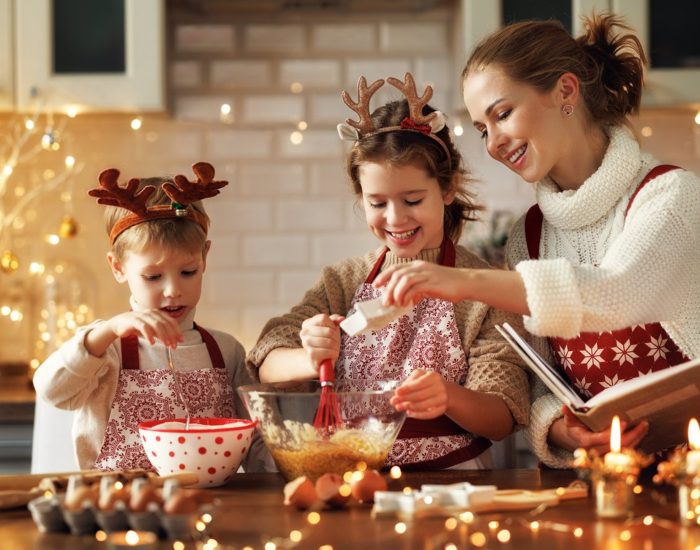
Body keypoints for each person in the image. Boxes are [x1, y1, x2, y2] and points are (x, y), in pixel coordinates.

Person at [373, 14, 700, 467]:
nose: (493, 144)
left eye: (502, 114)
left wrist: (462, 280)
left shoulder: (671, 195)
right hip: (604, 481)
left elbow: (615, 290)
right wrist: (564, 430)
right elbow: (544, 383)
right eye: (483, 129)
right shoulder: (529, 238)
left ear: (566, 91)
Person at [246, 73, 529, 470]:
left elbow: (502, 415)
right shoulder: (342, 282)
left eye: (412, 199)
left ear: (448, 189)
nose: (395, 218)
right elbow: (266, 360)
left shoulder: (483, 289)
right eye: (377, 203)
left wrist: (447, 396)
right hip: (350, 473)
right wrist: (308, 357)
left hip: (451, 481)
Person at [33, 162, 270, 472]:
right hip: (120, 507)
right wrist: (108, 331)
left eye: (188, 272)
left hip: (210, 507)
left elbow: (254, 441)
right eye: (153, 276)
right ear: (118, 267)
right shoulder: (106, 348)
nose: (172, 290)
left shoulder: (228, 352)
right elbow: (52, 391)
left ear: (205, 258)